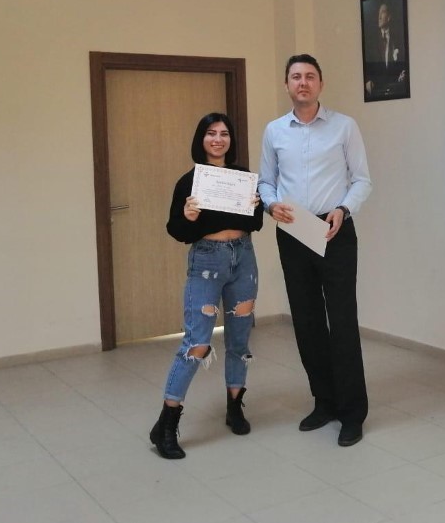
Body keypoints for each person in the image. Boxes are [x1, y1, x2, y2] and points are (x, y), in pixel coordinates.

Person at [259, 53, 372, 447]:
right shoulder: (274, 131)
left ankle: (352, 414)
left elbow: (362, 180)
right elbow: (265, 181)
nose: (302, 82)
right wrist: (271, 204)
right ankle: (324, 402)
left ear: (320, 84)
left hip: (333, 229)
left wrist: (343, 209)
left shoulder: (344, 126)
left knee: (342, 323)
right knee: (307, 323)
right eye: (296, 77)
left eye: (309, 76)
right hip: (294, 231)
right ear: (287, 85)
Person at [149, 113, 264, 459]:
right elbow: (176, 230)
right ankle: (167, 422)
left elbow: (255, 223)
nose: (218, 139)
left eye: (224, 133)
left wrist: (255, 206)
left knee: (239, 340)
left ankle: (235, 406)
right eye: (211, 133)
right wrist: (188, 217)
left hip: (243, 258)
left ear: (231, 140)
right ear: (201, 139)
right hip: (207, 261)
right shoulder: (190, 181)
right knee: (197, 343)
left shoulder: (242, 177)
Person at [364, 1, 408, 97]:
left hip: (395, 90)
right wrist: (367, 81)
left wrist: (403, 74)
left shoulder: (398, 38)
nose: (379, 17)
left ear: (389, 17)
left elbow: (403, 65)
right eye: (378, 13)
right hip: (377, 91)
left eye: (382, 12)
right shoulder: (371, 41)